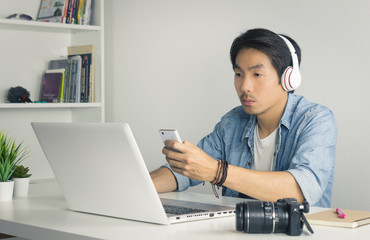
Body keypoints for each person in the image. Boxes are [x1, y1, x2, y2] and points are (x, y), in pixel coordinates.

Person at [150, 28, 337, 208]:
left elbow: (301, 190)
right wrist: (132, 188)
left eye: (257, 74)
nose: (245, 86)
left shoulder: (316, 120)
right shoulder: (231, 122)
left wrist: (218, 172)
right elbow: (184, 172)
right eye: (239, 74)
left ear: (289, 79)